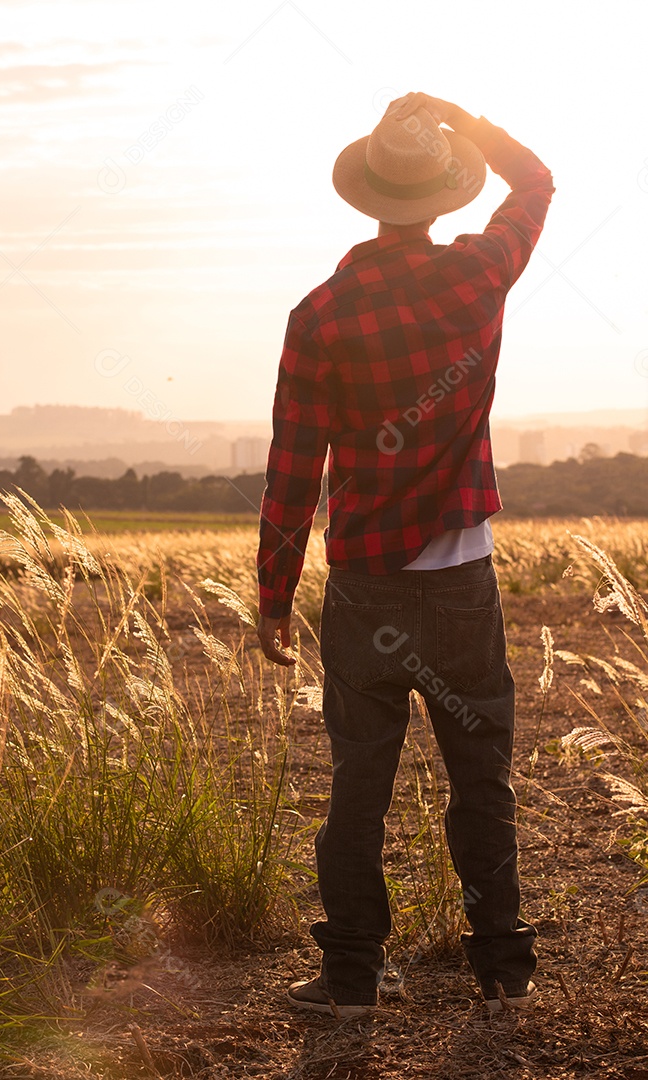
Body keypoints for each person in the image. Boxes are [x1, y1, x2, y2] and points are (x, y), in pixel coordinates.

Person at [255, 91, 554, 1016]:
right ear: (445, 193)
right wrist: (467, 121)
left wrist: (274, 594)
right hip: (463, 582)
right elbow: (536, 183)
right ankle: (501, 973)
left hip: (365, 589)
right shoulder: (477, 276)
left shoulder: (322, 313)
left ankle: (350, 979)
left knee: (359, 788)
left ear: (368, 195)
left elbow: (292, 466)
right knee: (482, 781)